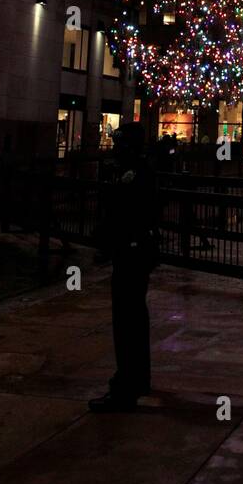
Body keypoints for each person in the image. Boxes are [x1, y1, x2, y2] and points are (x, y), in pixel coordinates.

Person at [89, 123, 158, 413]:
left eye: (119, 144)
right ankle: (137, 378)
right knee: (134, 315)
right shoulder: (135, 170)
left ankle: (126, 384)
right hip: (134, 251)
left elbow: (126, 212)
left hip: (131, 252)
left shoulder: (135, 174)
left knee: (127, 316)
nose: (115, 149)